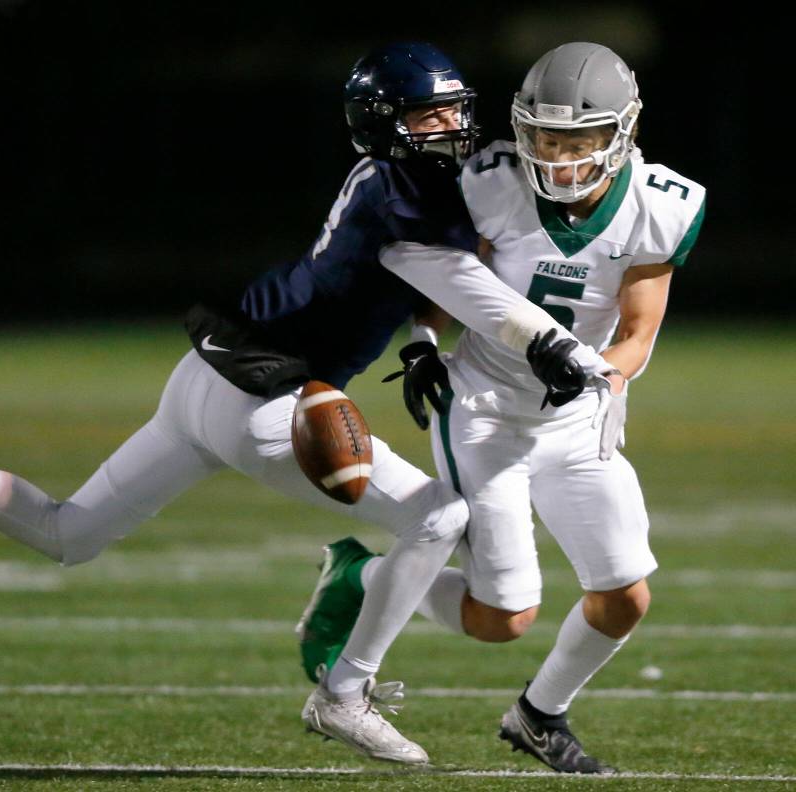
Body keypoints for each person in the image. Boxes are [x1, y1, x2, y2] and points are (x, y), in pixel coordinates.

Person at [0, 43, 603, 766]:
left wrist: (420, 344)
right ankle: (344, 692)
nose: (452, 125)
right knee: (438, 519)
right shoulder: (407, 198)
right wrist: (555, 344)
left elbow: (416, 287)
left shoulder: (390, 177)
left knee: (71, 533)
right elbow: (461, 283)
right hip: (271, 395)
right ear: (387, 124)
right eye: (431, 114)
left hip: (208, 372)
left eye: (455, 108)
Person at [302, 42, 705, 773]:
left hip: (579, 419)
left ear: (623, 132)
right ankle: (357, 576)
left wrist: (596, 379)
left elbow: (639, 335)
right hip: (486, 408)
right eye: (546, 136)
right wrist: (423, 339)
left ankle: (538, 714)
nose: (558, 154)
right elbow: (450, 275)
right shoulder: (490, 181)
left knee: (625, 597)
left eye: (579, 138)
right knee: (503, 619)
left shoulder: (662, 206)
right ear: (521, 128)